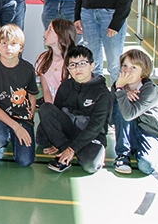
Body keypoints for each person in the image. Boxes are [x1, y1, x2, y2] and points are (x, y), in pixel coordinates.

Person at [37, 45, 112, 174]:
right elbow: (56, 111)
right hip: (69, 130)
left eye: (82, 63)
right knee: (44, 120)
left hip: (91, 134)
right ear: (68, 69)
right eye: (72, 65)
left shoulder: (102, 92)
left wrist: (72, 149)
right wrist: (56, 138)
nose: (77, 68)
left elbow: (96, 126)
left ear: (92, 66)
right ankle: (64, 148)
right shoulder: (66, 86)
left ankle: (67, 152)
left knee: (91, 165)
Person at [0, 24, 37, 166]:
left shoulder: (28, 68)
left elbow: (32, 95)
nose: (8, 48)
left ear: (21, 48)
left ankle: (13, 135)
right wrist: (16, 127)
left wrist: (29, 120)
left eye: (13, 44)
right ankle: (0, 141)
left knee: (25, 161)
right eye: (4, 43)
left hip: (22, 116)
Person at [112, 49, 158, 175]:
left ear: (143, 72)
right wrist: (122, 91)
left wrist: (121, 90)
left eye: (134, 67)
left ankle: (148, 148)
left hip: (148, 132)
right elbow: (112, 115)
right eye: (125, 66)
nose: (127, 70)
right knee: (119, 105)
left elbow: (129, 115)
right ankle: (123, 155)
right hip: (129, 131)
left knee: (145, 165)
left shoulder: (150, 90)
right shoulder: (118, 85)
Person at [36, 19, 76, 105]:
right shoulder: (43, 59)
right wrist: (51, 109)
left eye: (50, 30)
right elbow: (46, 90)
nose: (45, 33)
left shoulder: (74, 62)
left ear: (61, 35)